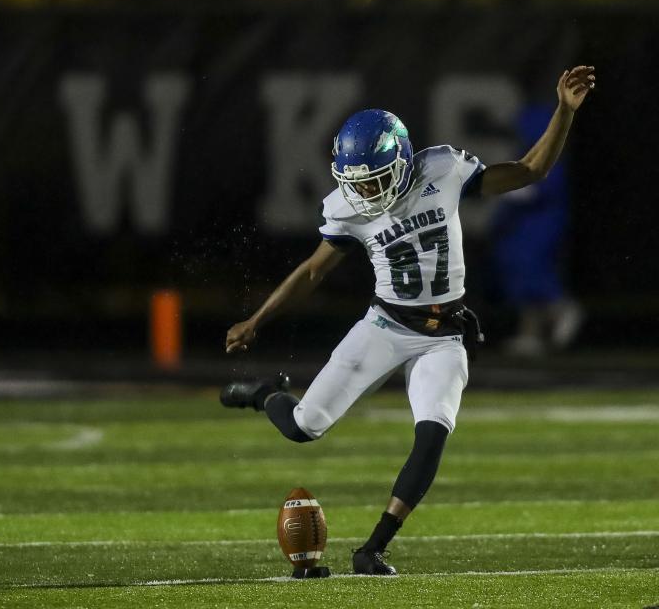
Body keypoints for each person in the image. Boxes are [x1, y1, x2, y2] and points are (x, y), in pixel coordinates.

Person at [220, 66, 595, 575]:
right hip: (386, 325)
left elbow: (531, 169)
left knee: (432, 432)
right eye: (359, 183)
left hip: (445, 335)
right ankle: (266, 394)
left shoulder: (443, 168)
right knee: (304, 427)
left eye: (376, 179)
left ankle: (373, 547)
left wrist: (564, 113)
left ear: (399, 162)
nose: (369, 193)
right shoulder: (349, 208)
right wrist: (257, 320)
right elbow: (311, 271)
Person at [491, 103, 583, 356]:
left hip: (541, 223)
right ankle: (529, 332)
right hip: (522, 226)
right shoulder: (524, 152)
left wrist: (500, 189)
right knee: (517, 271)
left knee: (531, 267)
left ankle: (560, 306)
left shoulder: (550, 156)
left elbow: (538, 189)